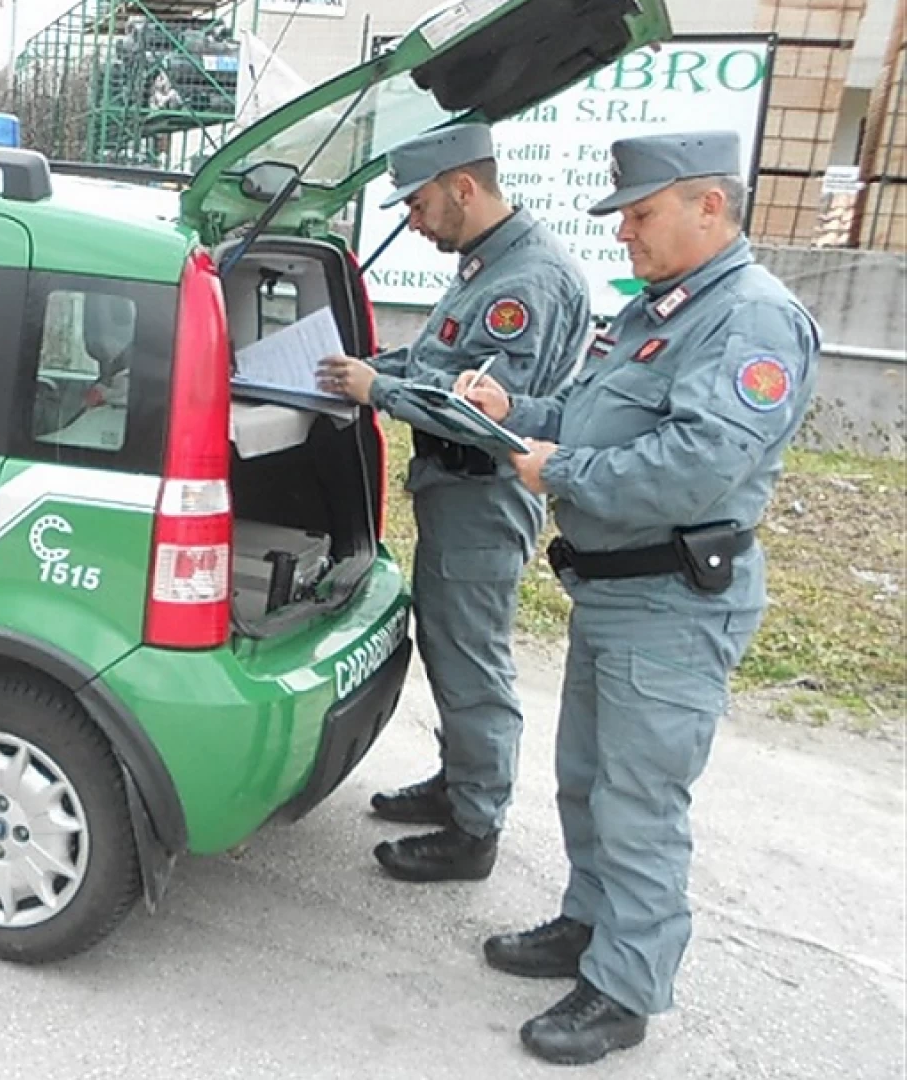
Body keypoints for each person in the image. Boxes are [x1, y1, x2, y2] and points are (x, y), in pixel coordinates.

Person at [457, 131, 818, 1065]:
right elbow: (589, 417)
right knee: (588, 778)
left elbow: (697, 465)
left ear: (712, 207)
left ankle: (624, 991)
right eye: (621, 216)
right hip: (617, 593)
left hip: (672, 600)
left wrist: (561, 469)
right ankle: (589, 926)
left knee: (639, 802)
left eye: (642, 213)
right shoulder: (666, 308)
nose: (625, 233)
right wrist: (516, 417)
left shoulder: (751, 321)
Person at [316, 123, 591, 883]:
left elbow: (484, 409)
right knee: (449, 643)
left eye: (420, 202)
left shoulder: (522, 284)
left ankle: (475, 826)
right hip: (457, 490)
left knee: (471, 655)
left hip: (484, 492)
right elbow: (446, 361)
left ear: (463, 188)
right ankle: (458, 782)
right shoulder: (487, 266)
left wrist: (382, 391)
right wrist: (367, 368)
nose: (413, 219)